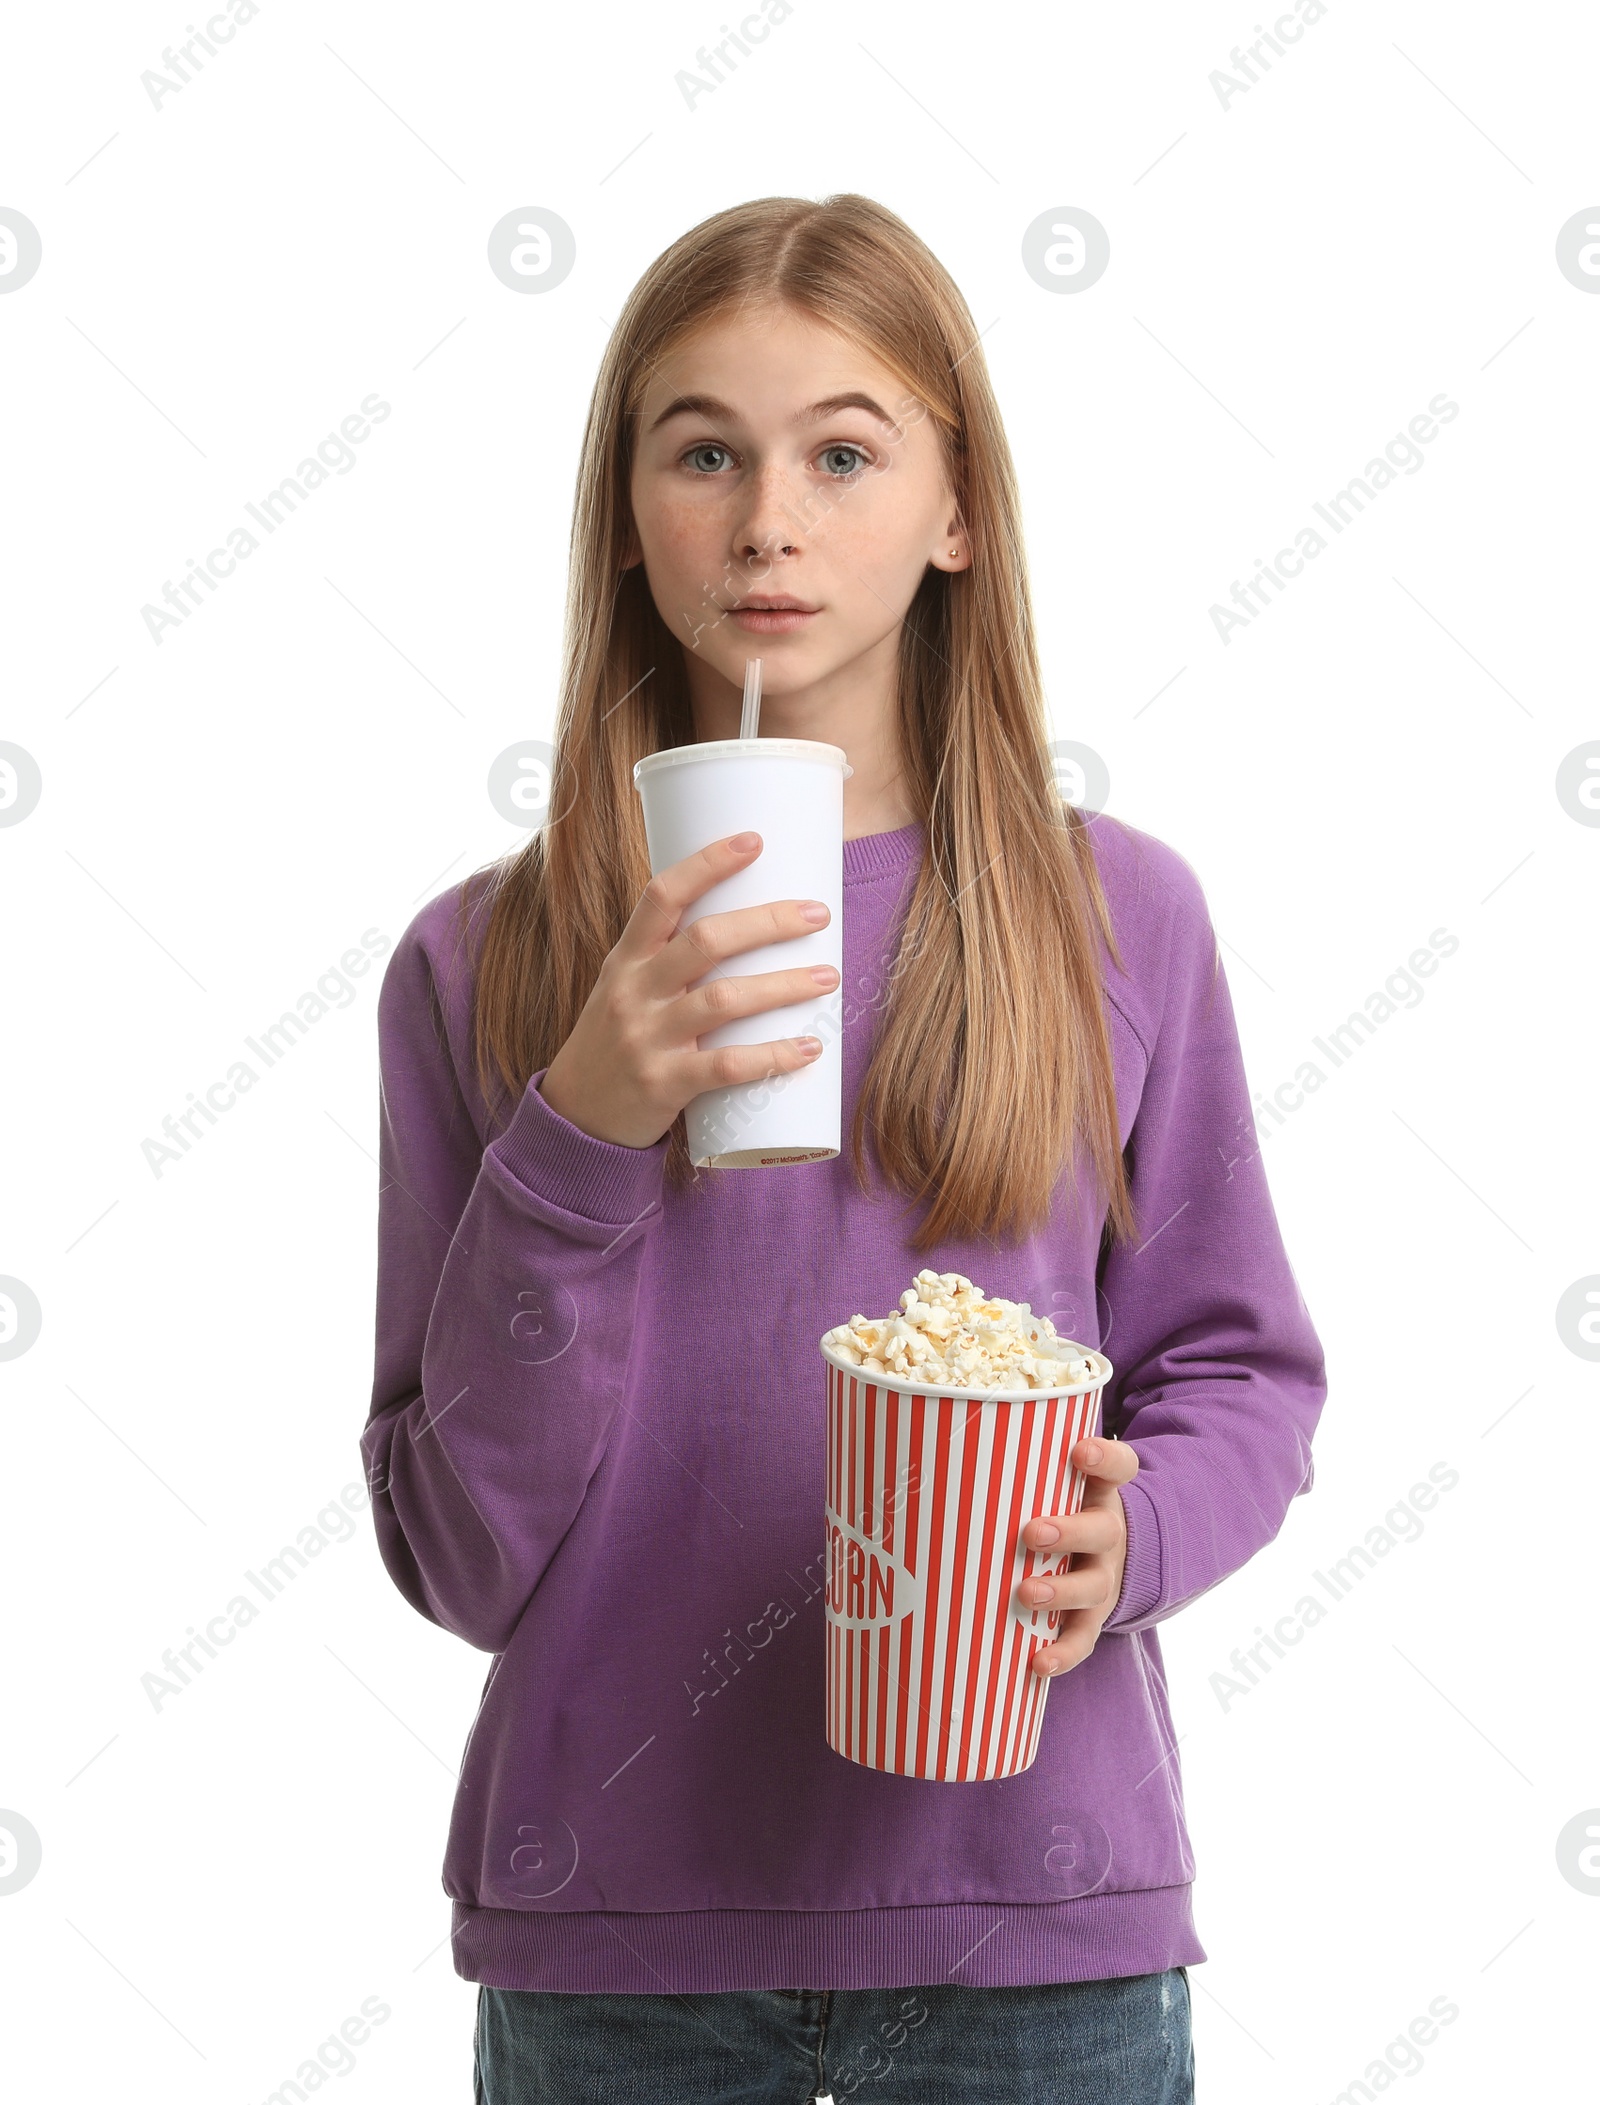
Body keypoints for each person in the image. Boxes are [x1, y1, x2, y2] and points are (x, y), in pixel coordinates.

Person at [360, 193, 1327, 2104]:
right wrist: (585, 1122)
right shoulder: (483, 964)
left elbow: (1242, 1371)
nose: (766, 519)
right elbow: (458, 1548)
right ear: (627, 514)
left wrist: (1126, 1539)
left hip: (1027, 1920)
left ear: (956, 512)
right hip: (617, 1941)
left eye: (845, 450)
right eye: (702, 448)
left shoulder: (1114, 917)